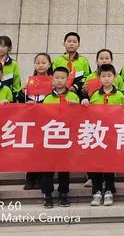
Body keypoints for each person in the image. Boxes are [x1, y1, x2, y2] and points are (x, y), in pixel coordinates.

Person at [81, 64, 124, 206]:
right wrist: (84, 101)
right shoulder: (94, 95)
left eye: (109, 76)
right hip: (97, 135)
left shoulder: (120, 95)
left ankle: (109, 190)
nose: (106, 79)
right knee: (96, 164)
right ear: (99, 78)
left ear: (114, 77)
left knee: (109, 164)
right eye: (103, 76)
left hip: (112, 136)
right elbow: (87, 112)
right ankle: (96, 191)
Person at [41, 67, 80, 208]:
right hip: (50, 138)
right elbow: (42, 117)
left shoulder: (73, 97)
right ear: (52, 79)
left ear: (67, 79)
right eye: (56, 77)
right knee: (48, 168)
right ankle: (47, 194)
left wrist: (77, 106)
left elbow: (80, 115)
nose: (59, 80)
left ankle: (63, 193)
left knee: (64, 167)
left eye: (62, 77)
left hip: (66, 138)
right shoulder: (47, 98)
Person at [19, 53, 53, 191]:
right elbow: (21, 100)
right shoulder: (29, 81)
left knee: (44, 149)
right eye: (37, 62)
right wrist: (23, 92)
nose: (40, 65)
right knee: (32, 149)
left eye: (43, 62)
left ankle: (42, 179)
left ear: (49, 64)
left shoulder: (53, 80)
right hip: (32, 119)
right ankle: (30, 178)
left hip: (47, 120)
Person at [0, 35, 21, 100]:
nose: (0, 48)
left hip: (8, 100)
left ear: (9, 48)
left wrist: (16, 98)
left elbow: (16, 84)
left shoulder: (13, 64)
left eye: (3, 46)